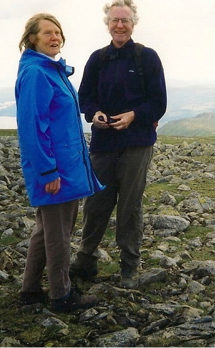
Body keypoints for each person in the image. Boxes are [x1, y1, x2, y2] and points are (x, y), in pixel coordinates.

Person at [70, 0, 167, 289]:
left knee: (129, 205)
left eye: (125, 20)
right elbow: (84, 96)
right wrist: (95, 114)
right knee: (96, 203)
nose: (120, 25)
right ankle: (86, 259)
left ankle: (129, 266)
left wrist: (134, 116)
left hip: (136, 142)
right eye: (115, 20)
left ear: (133, 23)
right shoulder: (98, 59)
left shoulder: (146, 58)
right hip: (103, 142)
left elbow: (158, 102)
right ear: (107, 23)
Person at [15, 13, 104, 313]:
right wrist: (48, 170)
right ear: (32, 39)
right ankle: (61, 295)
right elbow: (31, 126)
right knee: (59, 234)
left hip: (65, 167)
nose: (55, 37)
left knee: (46, 229)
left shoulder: (49, 69)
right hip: (56, 171)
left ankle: (29, 289)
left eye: (58, 33)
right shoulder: (38, 73)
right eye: (48, 33)